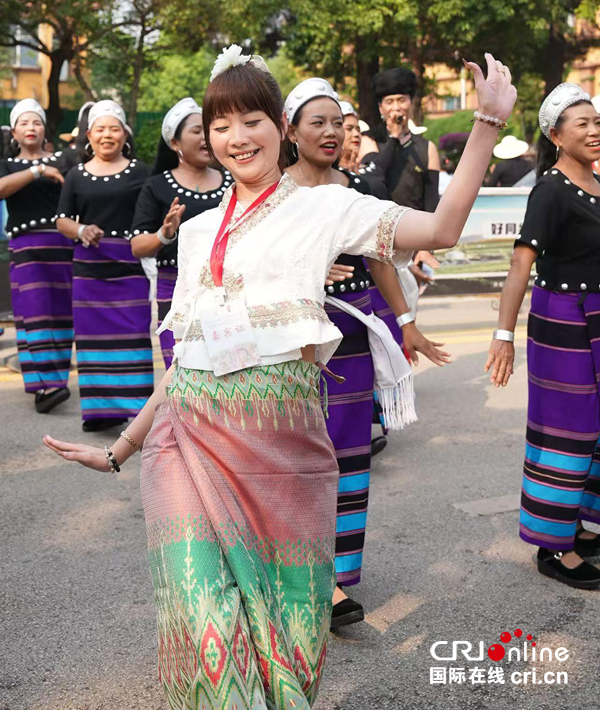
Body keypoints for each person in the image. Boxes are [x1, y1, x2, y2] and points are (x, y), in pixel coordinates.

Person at [44, 47, 515, 710]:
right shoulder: (201, 228)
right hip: (187, 445)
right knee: (209, 627)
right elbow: (187, 360)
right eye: (221, 125)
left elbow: (441, 226)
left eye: (252, 120)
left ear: (282, 127)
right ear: (207, 138)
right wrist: (121, 449)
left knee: (284, 645)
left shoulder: (328, 206)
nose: (237, 137)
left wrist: (488, 125)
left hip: (282, 455)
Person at [284, 77, 450, 630]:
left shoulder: (352, 187)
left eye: (339, 122)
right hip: (295, 340)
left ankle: (332, 580)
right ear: (290, 130)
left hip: (353, 338)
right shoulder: (270, 194)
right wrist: (302, 273)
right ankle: (294, 576)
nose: (332, 132)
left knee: (348, 458)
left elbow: (379, 256)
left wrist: (405, 323)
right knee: (300, 460)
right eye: (318, 122)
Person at [486, 83, 600, 590]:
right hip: (563, 320)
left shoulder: (597, 182)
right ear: (555, 135)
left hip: (596, 313)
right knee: (565, 428)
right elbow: (520, 264)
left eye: (597, 122)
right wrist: (503, 334)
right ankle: (553, 546)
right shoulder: (550, 189)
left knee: (593, 428)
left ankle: (577, 522)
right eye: (583, 124)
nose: (595, 131)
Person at [55, 101, 153, 432]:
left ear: (125, 134)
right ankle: (100, 413)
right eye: (100, 129)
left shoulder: (141, 172)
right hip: (89, 271)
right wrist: (82, 230)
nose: (107, 135)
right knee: (93, 340)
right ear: (89, 135)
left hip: (129, 269)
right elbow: (62, 220)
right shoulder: (75, 175)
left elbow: (149, 214)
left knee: (132, 337)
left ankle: (138, 412)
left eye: (114, 128)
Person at [131, 97, 232, 367]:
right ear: (174, 143)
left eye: (209, 130)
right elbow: (138, 245)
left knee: (229, 368)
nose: (205, 138)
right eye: (196, 131)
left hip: (229, 288)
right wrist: (164, 234)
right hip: (175, 289)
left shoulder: (234, 181)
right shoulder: (156, 186)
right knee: (181, 371)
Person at [0, 99, 75, 412]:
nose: (31, 128)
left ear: (45, 128)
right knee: (33, 315)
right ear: (14, 131)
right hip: (27, 249)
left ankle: (55, 380)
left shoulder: (66, 158)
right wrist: (38, 171)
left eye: (36, 122)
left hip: (64, 247)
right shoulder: (7, 163)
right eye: (24, 124)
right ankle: (46, 385)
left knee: (61, 315)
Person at [358, 67, 440, 211]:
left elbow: (432, 201)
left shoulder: (427, 148)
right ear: (380, 108)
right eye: (389, 102)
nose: (396, 108)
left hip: (415, 227)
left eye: (401, 100)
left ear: (410, 103)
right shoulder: (368, 140)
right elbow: (374, 175)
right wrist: (394, 137)